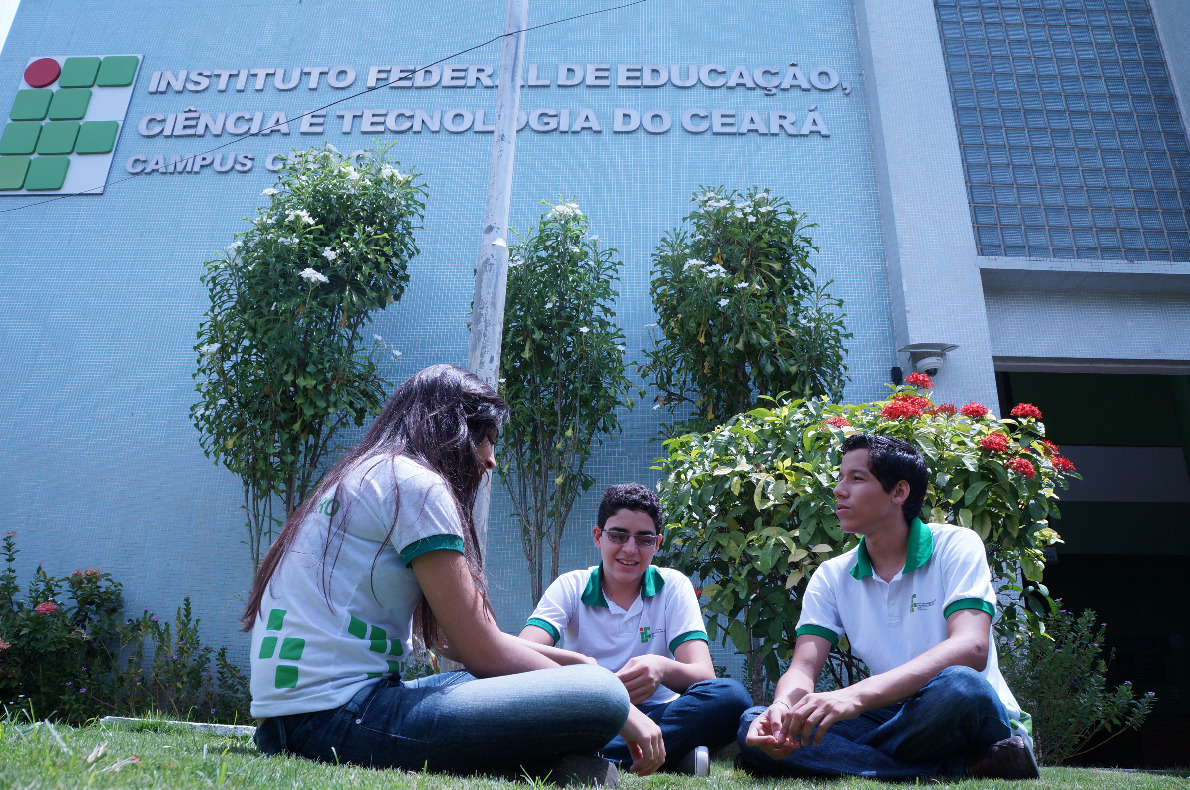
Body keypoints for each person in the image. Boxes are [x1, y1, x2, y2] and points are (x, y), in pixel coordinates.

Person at [245, 364, 664, 784]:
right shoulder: (416, 483)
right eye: (483, 438)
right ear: (447, 427)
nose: (490, 458)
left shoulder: (362, 475)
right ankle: (560, 756)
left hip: (291, 723)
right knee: (601, 696)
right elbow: (482, 650)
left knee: (555, 682)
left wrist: (576, 662)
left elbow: (451, 640)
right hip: (331, 721)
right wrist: (611, 698)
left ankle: (553, 767)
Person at [738, 434, 1040, 781]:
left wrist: (854, 696)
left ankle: (818, 760)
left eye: (856, 478)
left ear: (899, 492)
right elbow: (803, 670)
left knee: (961, 686)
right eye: (840, 477)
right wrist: (781, 709)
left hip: (962, 712)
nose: (838, 490)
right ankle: (961, 768)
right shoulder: (832, 575)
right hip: (893, 716)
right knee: (753, 721)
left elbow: (970, 648)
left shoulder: (956, 545)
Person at [519, 483, 752, 776]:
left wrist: (661, 668)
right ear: (597, 537)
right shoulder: (571, 586)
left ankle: (583, 757)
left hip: (659, 715)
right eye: (617, 535)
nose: (629, 549)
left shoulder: (673, 586)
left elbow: (704, 675)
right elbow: (522, 652)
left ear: (657, 544)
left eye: (644, 539)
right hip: (590, 714)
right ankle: (672, 756)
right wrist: (585, 671)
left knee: (732, 698)